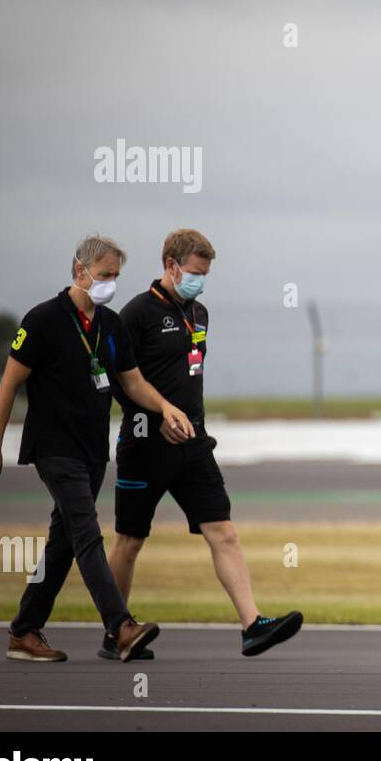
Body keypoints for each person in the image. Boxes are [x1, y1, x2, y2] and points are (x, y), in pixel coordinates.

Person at [0, 234, 194, 663]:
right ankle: (121, 626)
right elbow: (8, 384)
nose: (111, 282)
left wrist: (165, 406)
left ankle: (23, 631)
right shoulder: (42, 320)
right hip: (54, 448)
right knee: (87, 532)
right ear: (80, 270)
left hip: (94, 450)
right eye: (106, 274)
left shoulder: (111, 327)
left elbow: (132, 382)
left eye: (116, 275)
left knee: (63, 543)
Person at [105, 229, 304, 660]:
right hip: (143, 446)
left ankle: (252, 625)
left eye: (206, 274)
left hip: (194, 443)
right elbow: (120, 381)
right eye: (194, 273)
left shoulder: (200, 313)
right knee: (130, 540)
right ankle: (116, 628)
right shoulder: (135, 314)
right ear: (171, 265)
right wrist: (156, 418)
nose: (200, 281)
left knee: (224, 532)